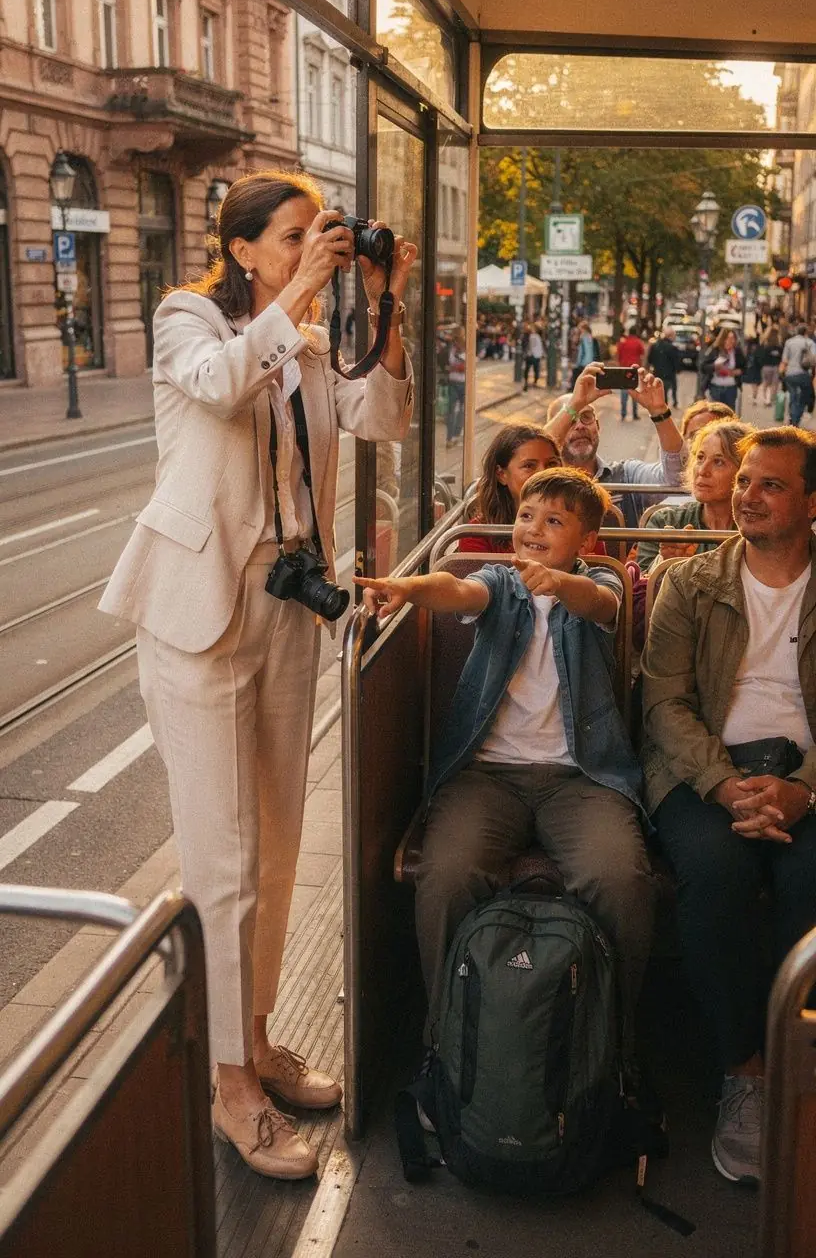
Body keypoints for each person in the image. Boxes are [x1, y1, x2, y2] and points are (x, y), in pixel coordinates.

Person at [100, 171, 416, 1180]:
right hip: (199, 613)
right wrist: (296, 301)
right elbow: (217, 385)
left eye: (317, 235)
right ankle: (228, 1082)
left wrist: (380, 299)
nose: (308, 249)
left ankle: (261, 1033)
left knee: (278, 841)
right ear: (243, 250)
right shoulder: (188, 318)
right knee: (223, 856)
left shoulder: (316, 337)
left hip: (286, 608)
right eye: (292, 237)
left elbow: (383, 420)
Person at [360, 467, 655, 1072]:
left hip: (580, 778)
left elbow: (599, 602)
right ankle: (445, 1041)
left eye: (554, 522)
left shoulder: (600, 579)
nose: (533, 530)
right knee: (446, 876)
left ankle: (609, 1047)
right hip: (487, 776)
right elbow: (458, 590)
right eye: (526, 517)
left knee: (620, 879)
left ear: (586, 541)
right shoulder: (500, 581)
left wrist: (561, 583)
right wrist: (412, 588)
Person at [641, 427, 816, 1185]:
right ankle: (743, 1073)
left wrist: (804, 790)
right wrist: (725, 784)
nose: (747, 494)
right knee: (712, 873)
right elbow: (665, 703)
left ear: (812, 502)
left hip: (803, 774)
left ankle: (792, 1065)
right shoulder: (692, 583)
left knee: (807, 881)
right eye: (745, 479)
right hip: (705, 770)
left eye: (770, 484)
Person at [544, 361, 685, 528]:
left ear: (597, 426)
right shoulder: (541, 481)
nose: (580, 426)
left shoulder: (627, 476)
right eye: (570, 419)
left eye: (587, 416)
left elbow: (677, 478)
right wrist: (574, 403)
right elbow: (535, 449)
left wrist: (659, 412)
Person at [636, 419, 753, 574]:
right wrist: (664, 563)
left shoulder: (756, 530)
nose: (702, 470)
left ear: (743, 473)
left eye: (718, 462)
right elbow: (640, 591)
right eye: (700, 458)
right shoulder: (666, 522)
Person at [458, 422, 562, 553]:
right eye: (529, 466)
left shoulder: (578, 525)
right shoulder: (477, 534)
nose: (544, 473)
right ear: (501, 474)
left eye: (551, 464)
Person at [779, 323, 816, 427]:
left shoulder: (789, 342)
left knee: (793, 396)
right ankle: (796, 420)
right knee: (804, 398)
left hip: (790, 375)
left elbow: (784, 360)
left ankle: (792, 417)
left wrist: (781, 373)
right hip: (804, 375)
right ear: (805, 332)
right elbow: (814, 360)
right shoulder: (810, 343)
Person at [700, 328, 745, 411]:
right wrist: (715, 366)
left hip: (731, 388)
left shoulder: (737, 352)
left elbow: (744, 367)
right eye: (728, 338)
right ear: (723, 339)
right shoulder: (715, 350)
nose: (731, 341)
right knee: (715, 414)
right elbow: (703, 367)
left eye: (733, 338)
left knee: (729, 413)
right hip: (715, 388)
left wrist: (738, 371)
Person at [617, 325, 647, 420]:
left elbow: (618, 354)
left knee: (624, 392)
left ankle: (623, 413)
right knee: (634, 391)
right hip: (634, 370)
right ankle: (634, 414)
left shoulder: (623, 342)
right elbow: (642, 354)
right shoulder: (638, 342)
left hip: (623, 370)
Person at [648, 326, 681, 409]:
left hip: (658, 373)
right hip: (669, 374)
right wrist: (678, 369)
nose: (675, 337)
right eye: (674, 335)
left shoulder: (655, 345)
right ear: (670, 336)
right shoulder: (672, 348)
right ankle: (673, 403)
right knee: (671, 388)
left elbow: (650, 359)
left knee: (662, 392)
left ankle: (665, 405)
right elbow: (676, 362)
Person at [445, 326, 466, 445]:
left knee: (458, 410)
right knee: (454, 411)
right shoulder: (451, 348)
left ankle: (454, 436)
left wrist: (453, 368)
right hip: (455, 381)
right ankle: (452, 437)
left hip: (460, 382)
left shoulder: (464, 348)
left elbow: (464, 367)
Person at [758, 326, 783, 407]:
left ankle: (766, 399)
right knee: (774, 384)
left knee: (765, 383)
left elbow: (760, 357)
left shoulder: (765, 346)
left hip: (766, 367)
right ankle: (771, 399)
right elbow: (781, 357)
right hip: (775, 367)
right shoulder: (779, 347)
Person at [571, 319, 595, 384]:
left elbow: (582, 352)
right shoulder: (590, 337)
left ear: (584, 329)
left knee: (579, 380)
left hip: (583, 362)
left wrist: (578, 363)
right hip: (590, 361)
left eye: (580, 329)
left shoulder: (583, 337)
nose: (580, 331)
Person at [523, 324, 544, 389]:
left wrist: (529, 353)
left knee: (528, 369)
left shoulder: (533, 336)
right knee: (536, 369)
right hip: (536, 355)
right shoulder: (538, 336)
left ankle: (527, 382)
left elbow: (532, 346)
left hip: (532, 355)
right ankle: (534, 382)